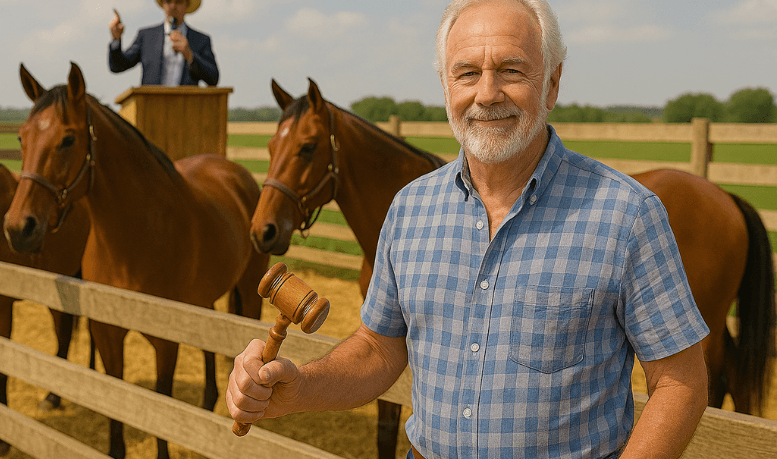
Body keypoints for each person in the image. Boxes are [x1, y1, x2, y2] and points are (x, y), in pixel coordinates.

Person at [226, 0, 710, 457]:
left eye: (511, 70)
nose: (486, 93)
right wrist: (299, 386)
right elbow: (378, 349)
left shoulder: (626, 215)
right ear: (446, 89)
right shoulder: (409, 209)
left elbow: (679, 380)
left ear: (553, 83)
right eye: (467, 74)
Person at [108, 0, 219, 86]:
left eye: (179, 1)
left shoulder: (201, 40)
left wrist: (189, 55)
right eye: (168, 1)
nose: (173, 6)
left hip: (187, 109)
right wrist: (116, 40)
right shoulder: (146, 36)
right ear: (162, 4)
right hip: (151, 108)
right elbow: (118, 66)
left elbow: (213, 78)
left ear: (187, 5)